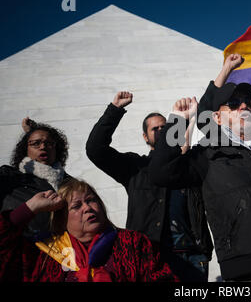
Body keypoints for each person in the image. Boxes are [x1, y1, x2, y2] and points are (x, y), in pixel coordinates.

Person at [149, 54, 251, 282]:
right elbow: (161, 172)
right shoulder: (207, 153)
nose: (244, 106)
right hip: (250, 272)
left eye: (250, 101)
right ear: (217, 117)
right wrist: (178, 120)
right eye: (234, 104)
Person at [85, 91, 213, 282]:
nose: (161, 130)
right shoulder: (134, 167)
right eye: (155, 129)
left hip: (192, 255)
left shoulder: (192, 165)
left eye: (165, 126)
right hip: (149, 255)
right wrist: (115, 110)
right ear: (145, 137)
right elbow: (95, 150)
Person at [0, 177, 178, 282]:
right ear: (62, 218)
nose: (87, 208)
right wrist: (30, 208)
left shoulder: (132, 242)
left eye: (91, 200)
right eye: (76, 206)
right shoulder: (44, 253)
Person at [0, 118, 71, 238]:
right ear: (25, 149)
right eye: (35, 143)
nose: (43, 147)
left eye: (49, 143)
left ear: (56, 149)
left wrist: (33, 134)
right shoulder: (9, 177)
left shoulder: (69, 183)